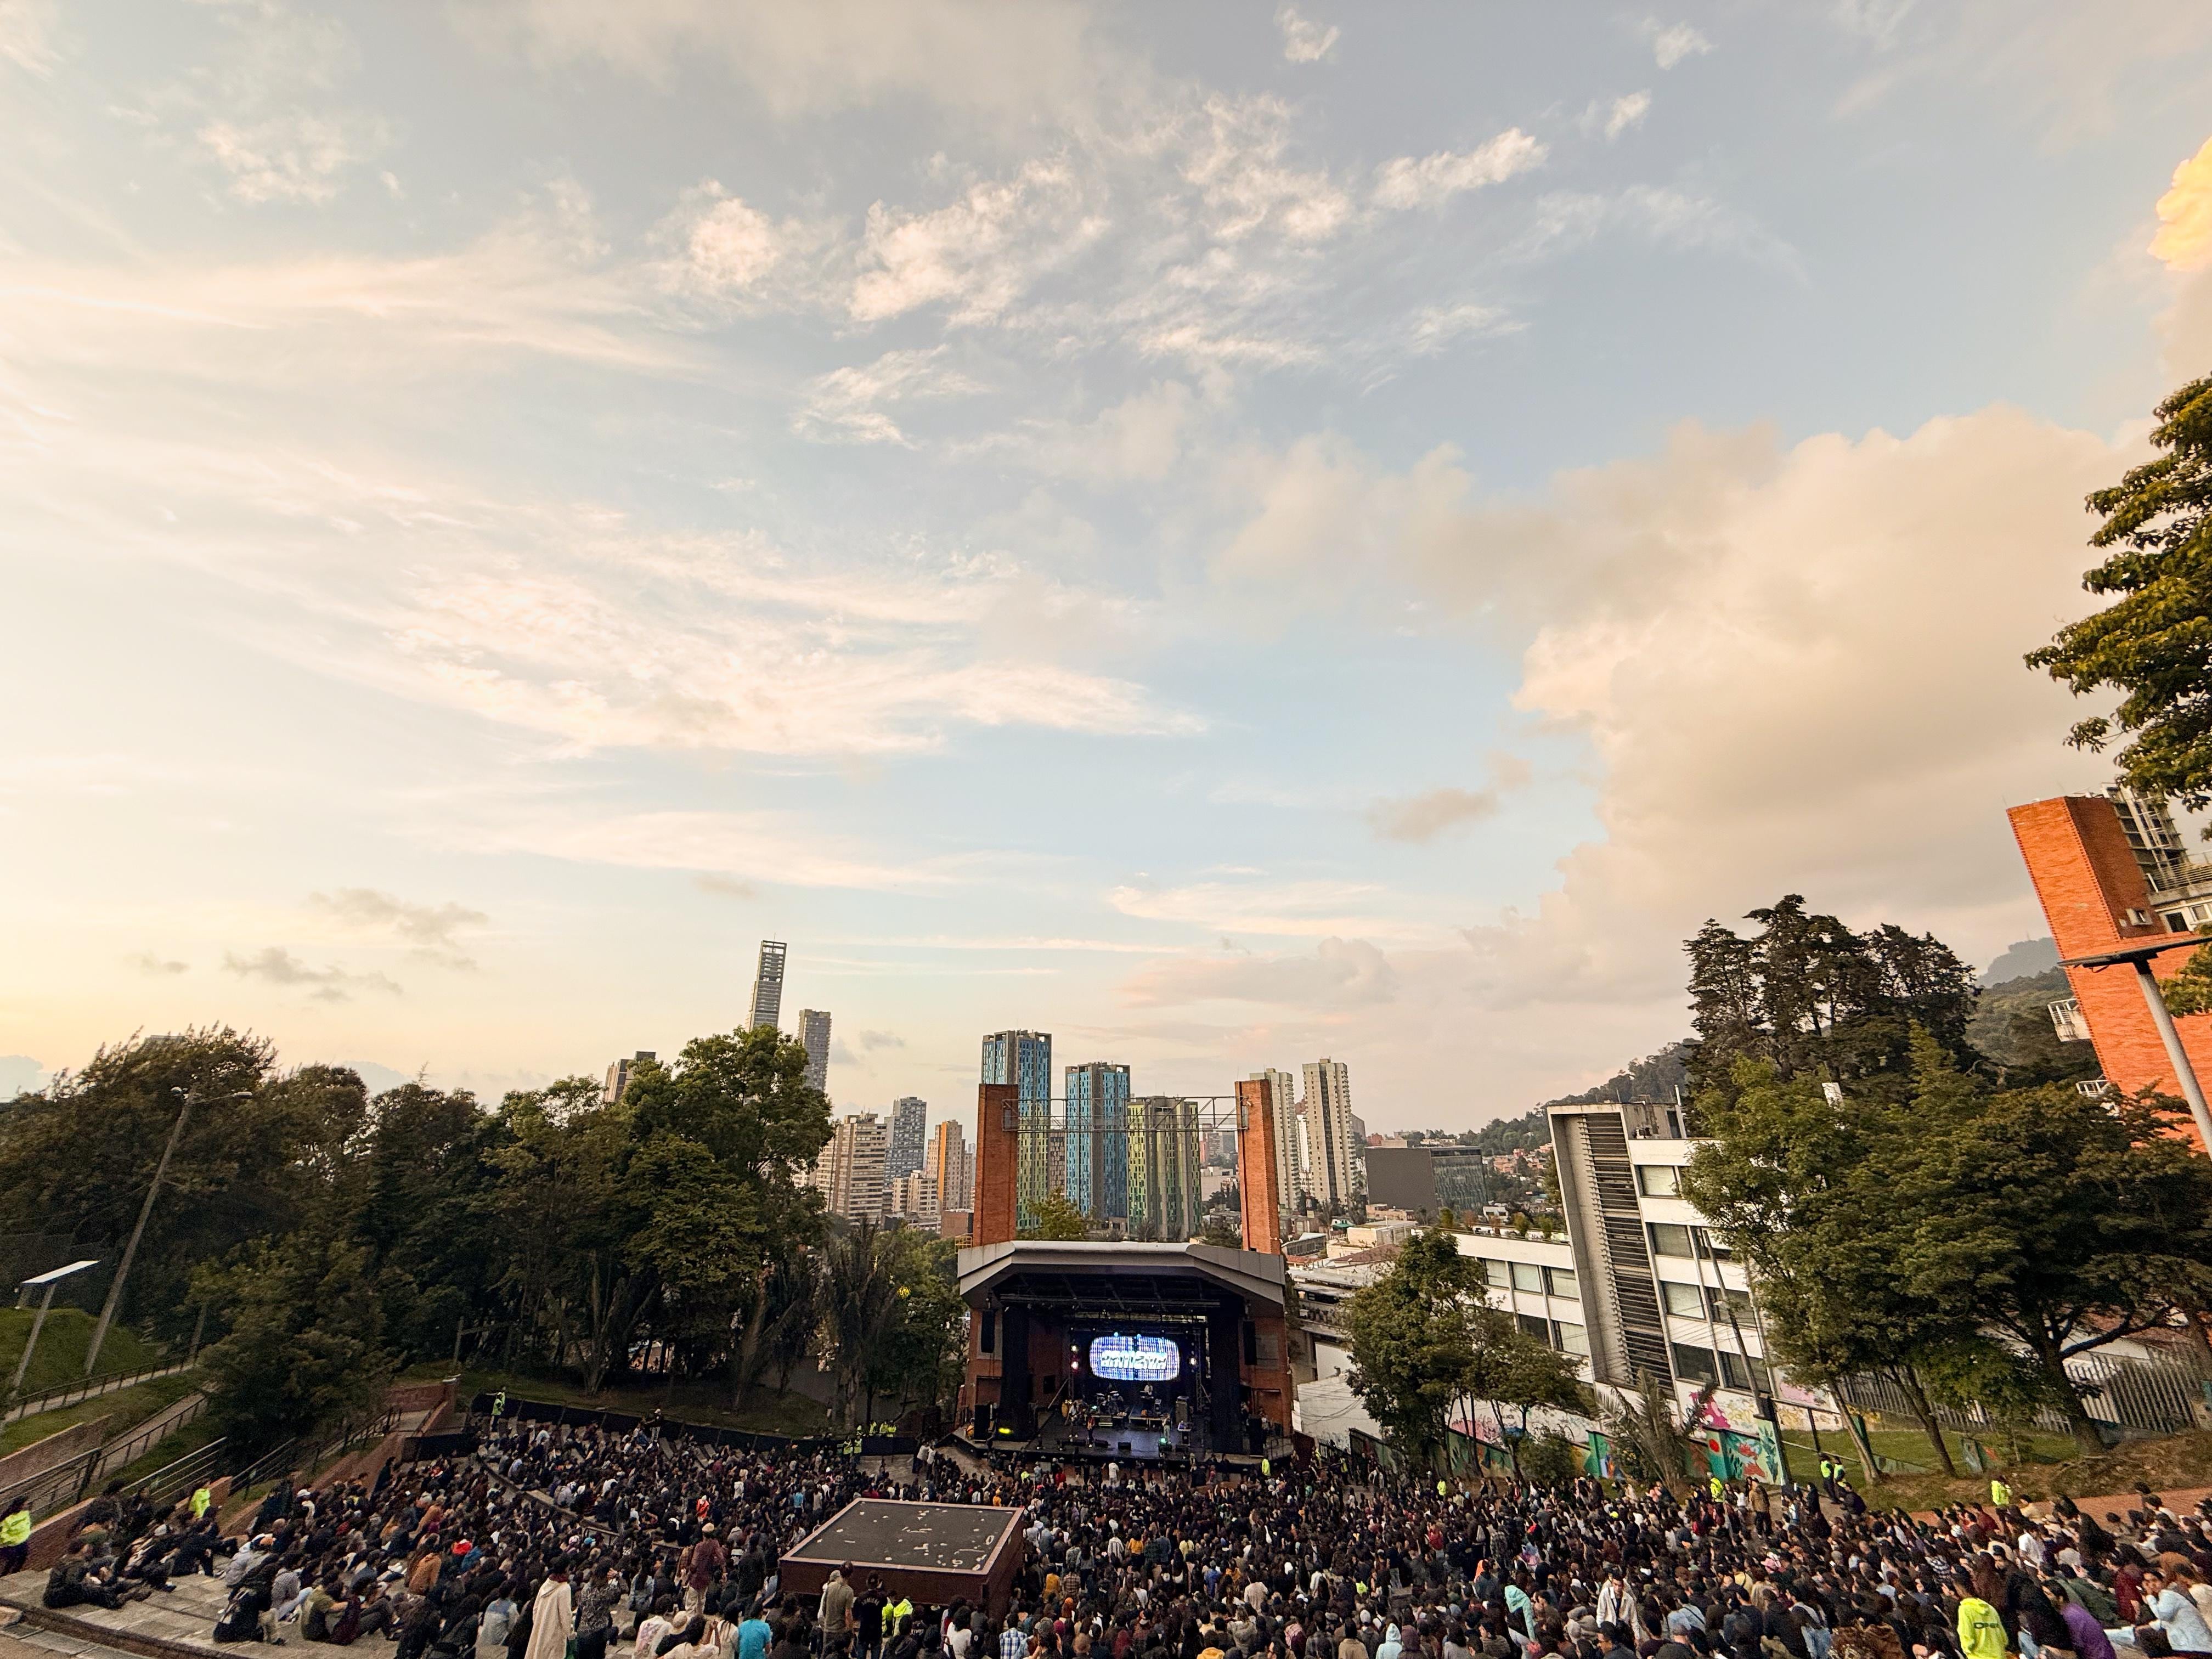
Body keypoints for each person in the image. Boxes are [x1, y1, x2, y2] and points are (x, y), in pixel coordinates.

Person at [526, 1561, 577, 1659]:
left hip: (541, 1629)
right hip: (555, 1634)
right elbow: (565, 1615)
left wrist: (540, 1625)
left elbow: (535, 1609)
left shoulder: (546, 1584)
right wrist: (571, 1634)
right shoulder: (565, 1588)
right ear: (565, 1571)